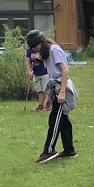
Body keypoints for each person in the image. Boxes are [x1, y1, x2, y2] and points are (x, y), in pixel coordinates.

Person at [28, 29, 77, 162]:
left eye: (35, 47)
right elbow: (51, 76)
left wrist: (61, 93)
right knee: (64, 120)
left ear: (40, 43)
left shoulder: (54, 50)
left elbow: (65, 71)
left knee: (54, 121)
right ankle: (69, 150)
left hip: (62, 88)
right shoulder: (47, 52)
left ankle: (49, 151)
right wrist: (48, 98)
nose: (35, 50)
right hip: (54, 88)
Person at [26, 41, 49, 112]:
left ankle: (47, 106)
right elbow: (28, 61)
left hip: (44, 72)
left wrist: (39, 57)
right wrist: (29, 72)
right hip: (36, 73)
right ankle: (40, 105)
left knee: (45, 90)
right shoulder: (29, 51)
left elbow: (47, 58)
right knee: (39, 90)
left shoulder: (42, 48)